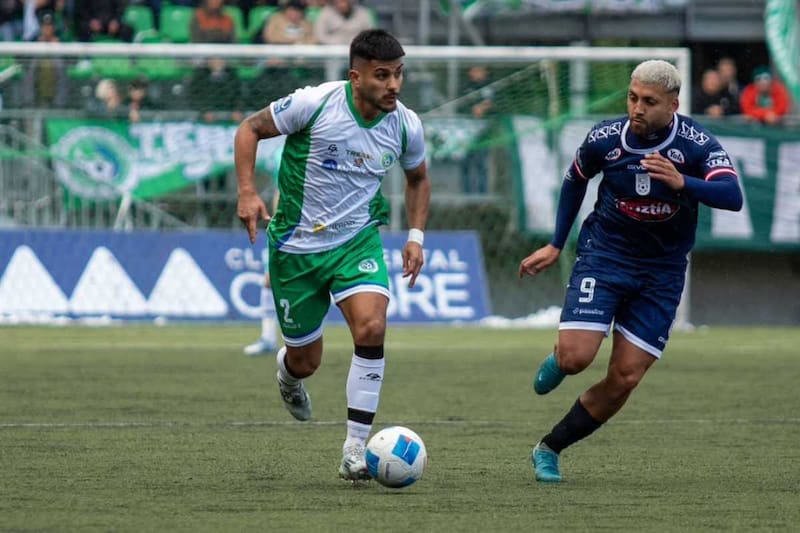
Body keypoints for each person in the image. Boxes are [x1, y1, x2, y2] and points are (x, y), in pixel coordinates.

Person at [519, 60, 743, 483]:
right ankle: (561, 359)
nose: (637, 108)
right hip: (605, 256)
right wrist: (554, 242)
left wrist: (683, 183)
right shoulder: (605, 138)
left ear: (673, 104)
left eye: (649, 102)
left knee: (623, 378)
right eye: (632, 98)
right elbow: (574, 181)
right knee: (576, 357)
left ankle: (549, 448)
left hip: (661, 273)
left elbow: (732, 195)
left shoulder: (696, 144)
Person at [235, 28, 431, 481]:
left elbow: (418, 178)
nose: (394, 86)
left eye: (399, 74)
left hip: (356, 242)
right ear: (355, 77)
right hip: (296, 249)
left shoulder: (405, 124)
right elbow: (250, 129)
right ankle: (288, 375)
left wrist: (416, 236)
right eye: (382, 76)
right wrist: (247, 192)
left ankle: (354, 451)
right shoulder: (315, 103)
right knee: (307, 361)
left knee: (372, 325)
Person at [243, 189, 281, 356]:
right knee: (269, 281)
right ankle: (268, 338)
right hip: (284, 228)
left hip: (301, 228)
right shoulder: (279, 163)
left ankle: (300, 342)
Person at [458, 65, 495, 194]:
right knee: (466, 164)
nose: (475, 73)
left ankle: (482, 194)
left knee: (481, 164)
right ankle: (467, 194)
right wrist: (472, 109)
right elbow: (460, 107)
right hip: (466, 132)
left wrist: (486, 108)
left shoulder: (491, 87)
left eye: (479, 70)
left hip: (484, 132)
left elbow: (497, 105)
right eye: (473, 70)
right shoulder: (466, 88)